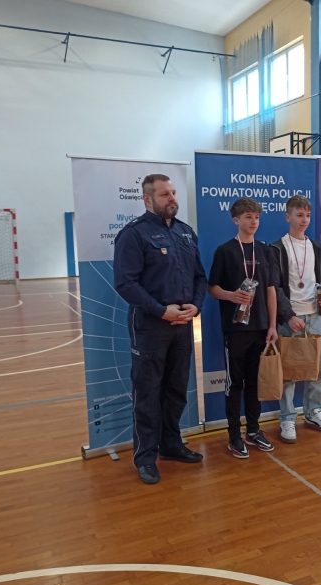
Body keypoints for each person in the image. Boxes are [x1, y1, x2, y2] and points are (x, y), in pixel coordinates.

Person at [113, 174, 207, 486]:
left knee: (176, 389)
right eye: (165, 194)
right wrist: (161, 311)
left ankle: (171, 445)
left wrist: (195, 306)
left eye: (173, 193)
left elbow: (200, 277)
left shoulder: (186, 233)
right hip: (151, 327)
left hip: (183, 326)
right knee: (148, 393)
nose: (172, 198)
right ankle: (145, 458)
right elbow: (125, 283)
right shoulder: (133, 234)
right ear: (147, 199)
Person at [208, 197, 278, 459]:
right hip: (236, 329)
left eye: (257, 217)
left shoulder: (265, 251)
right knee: (234, 383)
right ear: (236, 220)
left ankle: (254, 430)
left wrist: (272, 325)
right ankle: (234, 435)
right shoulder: (225, 251)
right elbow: (212, 288)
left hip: (261, 328)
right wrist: (231, 295)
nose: (254, 222)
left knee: (254, 383)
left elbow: (271, 290)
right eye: (248, 217)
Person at [270, 195, 321, 443]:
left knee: (317, 368)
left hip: (315, 316)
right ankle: (287, 417)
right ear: (288, 217)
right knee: (288, 371)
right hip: (290, 317)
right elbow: (274, 287)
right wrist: (288, 315)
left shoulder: (317, 247)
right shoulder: (277, 247)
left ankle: (314, 411)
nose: (304, 220)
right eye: (299, 215)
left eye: (307, 215)